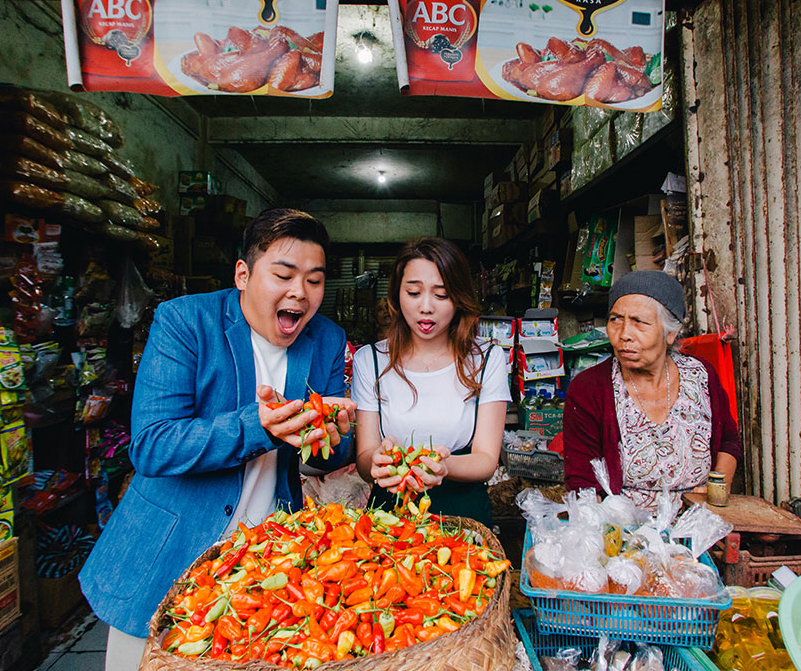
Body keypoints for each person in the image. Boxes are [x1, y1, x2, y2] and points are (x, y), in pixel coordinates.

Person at [80, 208, 356, 670]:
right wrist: (257, 426)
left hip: (265, 564)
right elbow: (151, 445)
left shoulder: (327, 339)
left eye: (314, 280)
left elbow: (323, 460)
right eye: (284, 275)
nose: (299, 293)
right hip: (170, 555)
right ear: (243, 275)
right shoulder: (185, 323)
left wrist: (330, 437)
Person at [351, 237, 511, 526]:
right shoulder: (370, 360)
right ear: (397, 295)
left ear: (459, 297)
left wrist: (443, 467)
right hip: (389, 514)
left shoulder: (487, 359)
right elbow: (365, 455)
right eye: (413, 292)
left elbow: (486, 459)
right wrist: (376, 462)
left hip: (463, 511)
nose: (426, 307)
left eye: (441, 295)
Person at [563, 270, 741, 508]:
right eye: (615, 320)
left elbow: (729, 441)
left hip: (699, 523)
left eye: (639, 322)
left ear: (670, 333)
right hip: (623, 530)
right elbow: (582, 480)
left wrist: (718, 487)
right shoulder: (588, 389)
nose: (624, 335)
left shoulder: (701, 375)